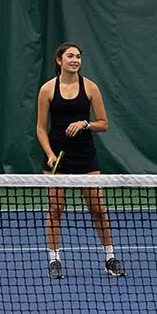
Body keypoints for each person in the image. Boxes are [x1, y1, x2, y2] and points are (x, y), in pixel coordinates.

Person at [36, 42, 123, 279]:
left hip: (85, 156)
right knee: (55, 209)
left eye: (78, 56)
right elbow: (41, 128)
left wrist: (85, 124)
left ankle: (109, 257)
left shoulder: (91, 88)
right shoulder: (47, 90)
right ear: (59, 60)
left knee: (97, 208)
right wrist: (50, 154)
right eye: (70, 56)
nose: (75, 60)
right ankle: (54, 260)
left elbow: (103, 124)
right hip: (56, 158)